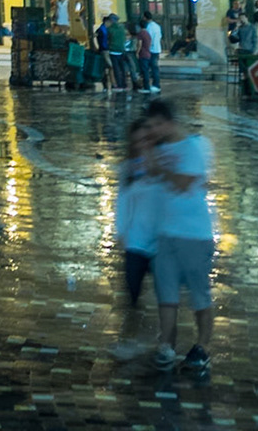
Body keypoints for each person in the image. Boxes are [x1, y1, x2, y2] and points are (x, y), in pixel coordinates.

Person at [146, 100, 216, 370]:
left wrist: (158, 166)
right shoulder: (159, 147)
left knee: (199, 296)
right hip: (165, 233)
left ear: (168, 123)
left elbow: (183, 184)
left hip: (194, 235)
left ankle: (203, 346)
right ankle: (166, 345)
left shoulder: (192, 147)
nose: (152, 131)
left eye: (155, 126)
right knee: (166, 294)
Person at [111, 111, 163, 360]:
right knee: (132, 295)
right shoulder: (127, 169)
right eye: (137, 141)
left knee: (164, 297)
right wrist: (120, 232)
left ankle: (161, 342)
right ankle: (133, 337)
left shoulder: (164, 166)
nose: (142, 145)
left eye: (147, 140)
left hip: (160, 244)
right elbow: (121, 202)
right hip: (135, 243)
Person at [105, 14, 131, 92]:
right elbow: (127, 36)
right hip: (122, 50)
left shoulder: (109, 29)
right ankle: (124, 84)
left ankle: (119, 85)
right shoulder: (122, 28)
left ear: (111, 20)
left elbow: (107, 39)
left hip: (113, 51)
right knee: (122, 69)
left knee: (116, 69)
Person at [140, 12, 162, 92]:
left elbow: (148, 39)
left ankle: (151, 85)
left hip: (150, 50)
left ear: (145, 18)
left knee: (149, 68)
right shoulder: (157, 26)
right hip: (157, 49)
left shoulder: (148, 27)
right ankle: (156, 84)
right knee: (155, 68)